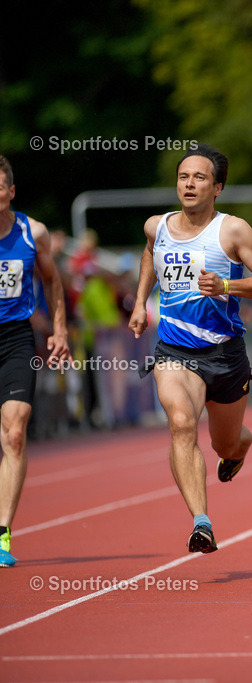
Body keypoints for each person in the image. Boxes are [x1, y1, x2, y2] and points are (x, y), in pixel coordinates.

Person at [129, 144, 252, 554]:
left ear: (217, 187)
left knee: (224, 445)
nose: (189, 184)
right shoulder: (156, 226)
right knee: (181, 424)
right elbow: (150, 253)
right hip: (175, 352)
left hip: (225, 355)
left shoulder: (233, 231)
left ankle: (239, 448)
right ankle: (202, 523)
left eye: (199, 178)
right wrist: (141, 301)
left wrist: (227, 285)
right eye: (183, 177)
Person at [0, 154, 71, 567]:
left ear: (10, 192)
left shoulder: (33, 233)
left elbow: (52, 281)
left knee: (15, 432)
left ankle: (2, 533)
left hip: (15, 338)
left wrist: (59, 331)